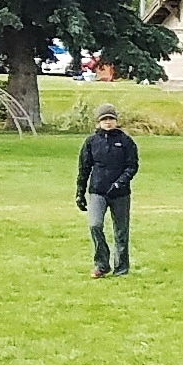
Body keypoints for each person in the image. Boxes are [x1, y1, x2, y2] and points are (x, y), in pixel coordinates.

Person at [76, 101, 137, 277]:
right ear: (98, 122)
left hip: (120, 193)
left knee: (121, 230)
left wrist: (121, 182)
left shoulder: (125, 141)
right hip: (97, 190)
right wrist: (80, 192)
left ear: (116, 120)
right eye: (104, 119)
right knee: (95, 225)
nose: (108, 122)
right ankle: (101, 264)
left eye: (111, 118)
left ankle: (121, 268)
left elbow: (132, 166)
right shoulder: (91, 142)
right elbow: (84, 168)